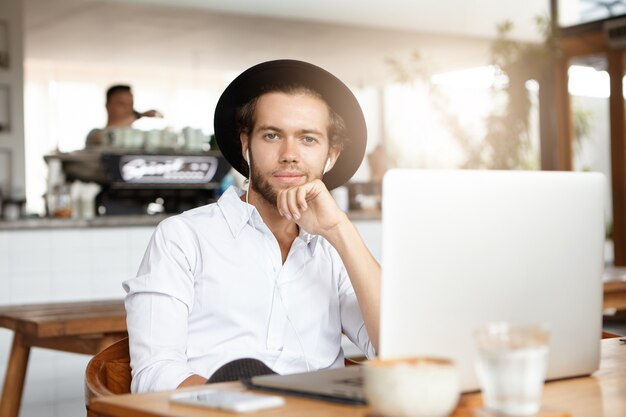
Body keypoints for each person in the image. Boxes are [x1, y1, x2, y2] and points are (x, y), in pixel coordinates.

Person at [123, 60, 381, 393]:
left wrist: (340, 230)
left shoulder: (335, 250)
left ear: (331, 155)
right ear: (246, 144)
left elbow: (399, 350)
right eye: (272, 135)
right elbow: (154, 375)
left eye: (308, 139)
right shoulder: (182, 238)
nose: (289, 154)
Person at [85, 84, 162, 147]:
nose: (128, 109)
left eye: (130, 104)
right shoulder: (95, 135)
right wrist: (140, 115)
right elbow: (104, 137)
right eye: (121, 104)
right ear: (107, 105)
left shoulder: (139, 138)